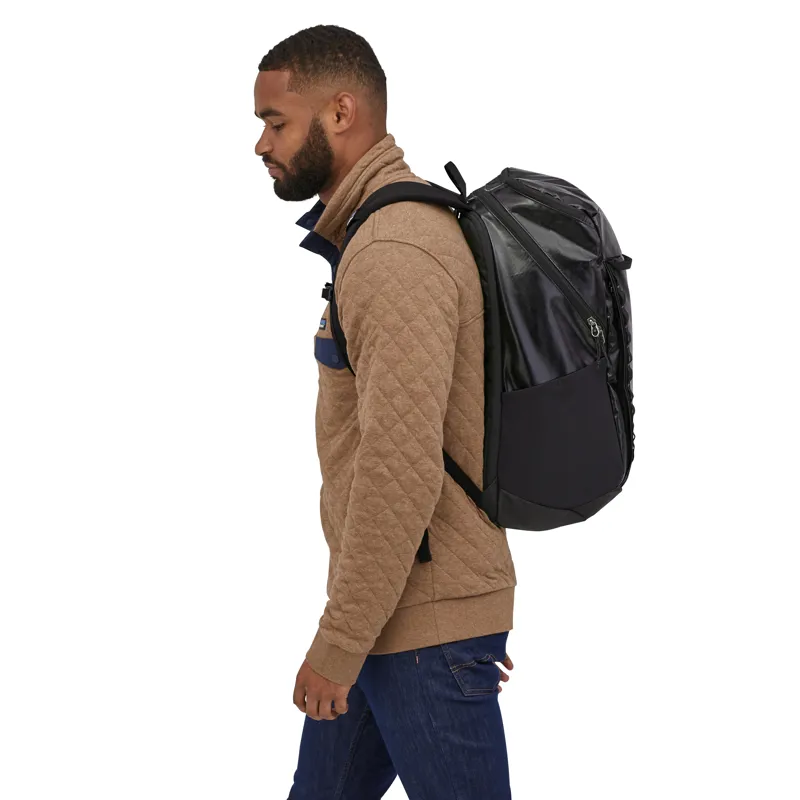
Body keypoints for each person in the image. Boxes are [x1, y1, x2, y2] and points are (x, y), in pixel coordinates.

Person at [254, 24, 518, 800]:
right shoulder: (379, 234)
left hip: (416, 627)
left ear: (341, 113)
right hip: (394, 612)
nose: (261, 145)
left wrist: (339, 643)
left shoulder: (394, 251)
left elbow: (397, 472)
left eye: (276, 122)